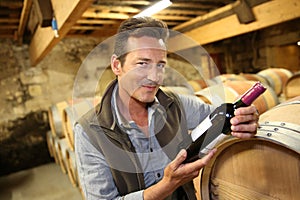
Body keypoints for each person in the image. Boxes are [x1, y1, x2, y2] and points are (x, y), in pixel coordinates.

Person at [74, 16, 259, 200]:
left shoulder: (176, 104)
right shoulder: (89, 132)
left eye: (160, 65)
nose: (154, 77)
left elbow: (221, 120)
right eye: (142, 64)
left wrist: (244, 120)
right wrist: (166, 186)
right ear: (117, 65)